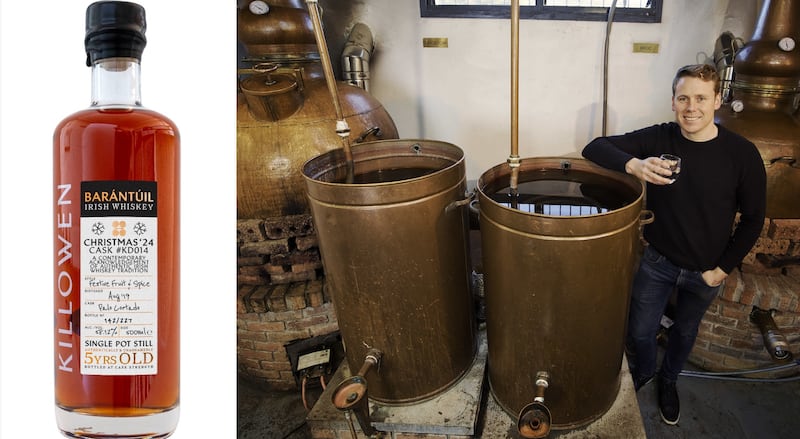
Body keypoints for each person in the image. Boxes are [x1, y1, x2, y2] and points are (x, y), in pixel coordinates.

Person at [581, 64, 766, 426]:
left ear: (717, 99)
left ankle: (669, 382)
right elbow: (594, 147)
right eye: (683, 98)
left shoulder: (742, 154)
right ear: (673, 102)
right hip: (657, 262)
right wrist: (632, 164)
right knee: (639, 331)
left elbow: (754, 219)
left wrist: (721, 269)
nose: (691, 107)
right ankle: (646, 372)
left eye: (700, 98)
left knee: (684, 332)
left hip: (706, 269)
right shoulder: (661, 138)